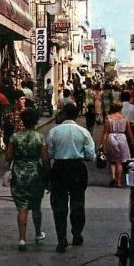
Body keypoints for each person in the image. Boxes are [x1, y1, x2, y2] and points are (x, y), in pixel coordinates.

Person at [47, 103, 96, 253]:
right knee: (78, 202)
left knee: (59, 205)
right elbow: (90, 155)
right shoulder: (83, 132)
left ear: (64, 114)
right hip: (77, 168)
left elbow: (49, 154)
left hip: (59, 168)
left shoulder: (54, 131)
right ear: (76, 115)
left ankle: (61, 239)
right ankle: (77, 233)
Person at [5, 109, 49, 251]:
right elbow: (45, 159)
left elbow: (8, 156)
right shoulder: (39, 137)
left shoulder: (15, 137)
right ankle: (37, 233)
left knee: (22, 207)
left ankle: (22, 239)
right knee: (36, 206)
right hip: (35, 175)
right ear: (35, 121)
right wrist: (47, 175)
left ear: (23, 121)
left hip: (18, 175)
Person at [99, 101, 134, 187]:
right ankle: (119, 182)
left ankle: (113, 177)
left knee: (112, 160)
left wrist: (102, 144)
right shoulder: (125, 119)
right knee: (120, 162)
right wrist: (132, 142)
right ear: (121, 108)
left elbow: (105, 132)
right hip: (122, 138)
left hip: (111, 138)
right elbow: (129, 132)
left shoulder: (108, 118)